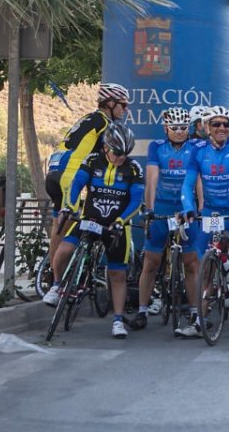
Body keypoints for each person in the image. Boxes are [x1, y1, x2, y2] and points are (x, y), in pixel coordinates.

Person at [44, 124, 144, 339]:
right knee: (63, 251)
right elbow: (76, 185)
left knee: (117, 274)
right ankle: (57, 285)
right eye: (117, 153)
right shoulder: (92, 161)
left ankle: (117, 321)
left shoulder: (133, 168)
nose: (121, 158)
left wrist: (120, 220)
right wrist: (69, 207)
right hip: (90, 219)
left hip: (115, 225)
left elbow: (136, 200)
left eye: (125, 153)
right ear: (106, 147)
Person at [180, 106, 229, 333]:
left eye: (226, 124)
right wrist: (188, 207)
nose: (222, 128)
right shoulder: (198, 150)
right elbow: (187, 183)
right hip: (211, 212)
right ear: (206, 127)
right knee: (203, 267)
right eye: (216, 124)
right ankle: (199, 321)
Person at [45, 83, 129, 281]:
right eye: (123, 105)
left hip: (54, 170)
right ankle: (57, 281)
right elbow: (108, 157)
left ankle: (51, 273)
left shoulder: (89, 118)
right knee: (69, 228)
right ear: (110, 103)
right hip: (69, 175)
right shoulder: (106, 124)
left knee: (59, 225)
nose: (126, 110)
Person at [130, 107, 202, 337]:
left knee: (191, 262)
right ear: (166, 128)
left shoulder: (196, 148)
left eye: (184, 127)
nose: (180, 132)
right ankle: (142, 310)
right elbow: (151, 179)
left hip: (185, 208)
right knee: (151, 261)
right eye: (175, 128)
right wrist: (149, 209)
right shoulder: (157, 148)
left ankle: (194, 312)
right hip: (161, 205)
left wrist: (200, 208)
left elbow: (199, 180)